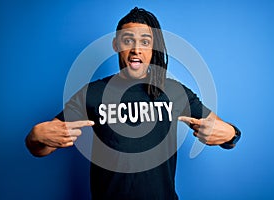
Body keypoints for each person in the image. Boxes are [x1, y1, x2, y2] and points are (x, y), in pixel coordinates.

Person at [25, 7, 241, 200]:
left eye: (145, 42)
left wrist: (230, 134)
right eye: (128, 40)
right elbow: (42, 148)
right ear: (116, 44)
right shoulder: (92, 92)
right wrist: (35, 138)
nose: (136, 49)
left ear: (153, 48)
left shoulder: (174, 91)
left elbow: (223, 132)